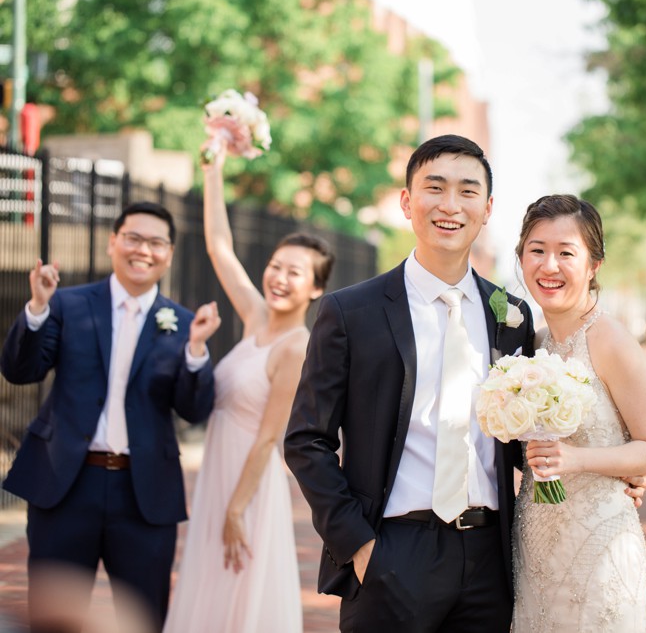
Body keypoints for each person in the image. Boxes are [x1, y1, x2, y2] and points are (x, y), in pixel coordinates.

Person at [284, 134, 535, 632]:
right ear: (406, 202)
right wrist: (357, 544)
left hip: (489, 557)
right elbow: (306, 440)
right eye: (434, 188)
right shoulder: (349, 311)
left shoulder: (511, 317)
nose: (449, 205)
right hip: (391, 551)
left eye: (467, 192)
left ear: (486, 210)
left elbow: (529, 437)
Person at [1, 202, 221, 633]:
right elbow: (20, 371)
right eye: (133, 238)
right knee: (52, 616)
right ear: (113, 243)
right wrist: (37, 309)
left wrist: (196, 353)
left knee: (143, 616)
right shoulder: (67, 304)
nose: (143, 250)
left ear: (169, 253)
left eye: (156, 242)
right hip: (65, 484)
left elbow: (194, 409)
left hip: (142, 494)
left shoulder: (184, 324)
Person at [162, 142, 334, 632]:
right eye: (276, 267)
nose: (279, 278)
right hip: (220, 473)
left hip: (248, 488)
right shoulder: (256, 318)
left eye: (294, 273)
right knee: (210, 587)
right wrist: (214, 170)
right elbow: (220, 247)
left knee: (237, 592)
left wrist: (236, 509)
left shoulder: (296, 347)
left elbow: (268, 438)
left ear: (315, 288)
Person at [510, 194, 646, 632]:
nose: (549, 266)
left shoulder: (610, 340)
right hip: (535, 547)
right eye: (537, 250)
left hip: (600, 547)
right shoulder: (532, 345)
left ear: (594, 264)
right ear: (521, 257)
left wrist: (578, 459)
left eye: (567, 253)